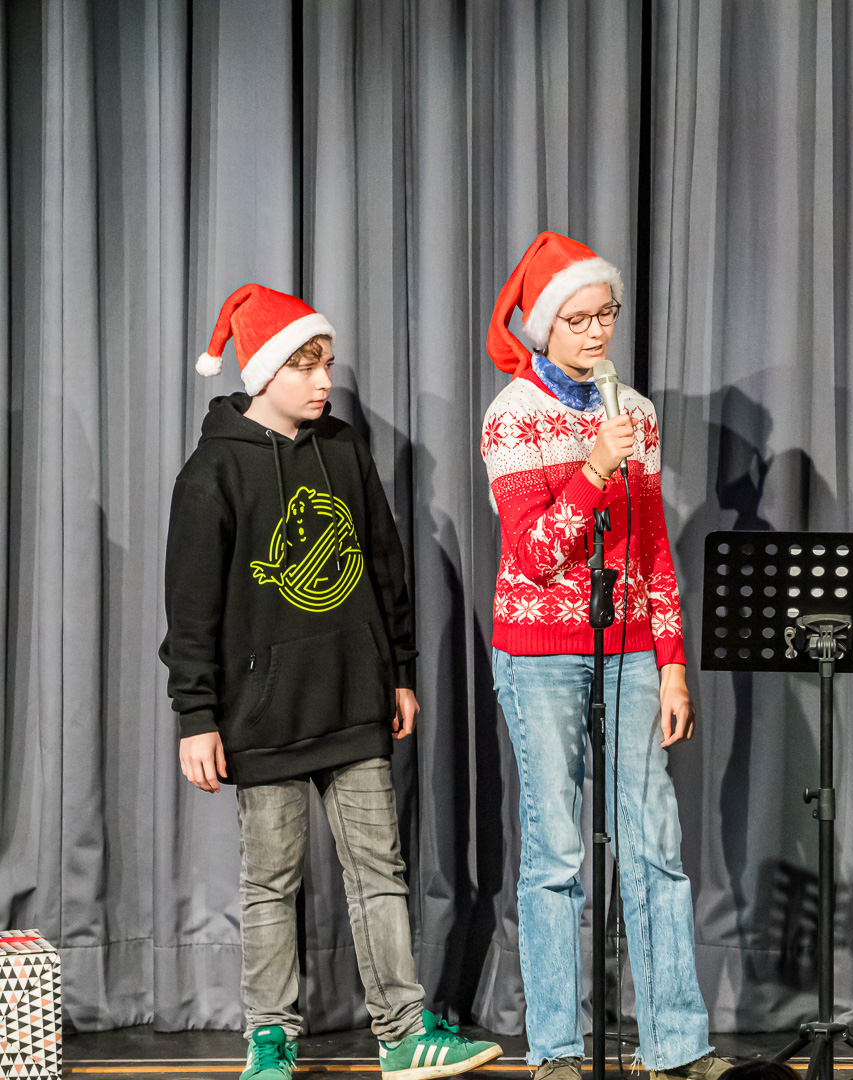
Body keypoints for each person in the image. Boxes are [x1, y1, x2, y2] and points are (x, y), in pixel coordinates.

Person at [161, 284, 501, 1080]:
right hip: (263, 715)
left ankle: (403, 1033)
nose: (324, 382)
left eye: (327, 364)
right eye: (306, 366)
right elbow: (190, 607)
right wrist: (196, 716)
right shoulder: (213, 471)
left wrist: (399, 672)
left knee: (379, 871)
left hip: (353, 698)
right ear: (265, 371)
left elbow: (383, 565)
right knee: (270, 882)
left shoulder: (342, 449)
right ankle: (270, 1039)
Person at [480, 232, 726, 1080]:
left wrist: (672, 661)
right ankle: (556, 1047)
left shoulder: (637, 414)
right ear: (545, 326)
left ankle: (675, 1045)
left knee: (653, 843)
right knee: (557, 853)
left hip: (629, 649)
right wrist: (591, 467)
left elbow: (653, 548)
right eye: (578, 319)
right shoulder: (512, 415)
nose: (596, 332)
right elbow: (534, 556)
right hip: (542, 650)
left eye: (606, 315)